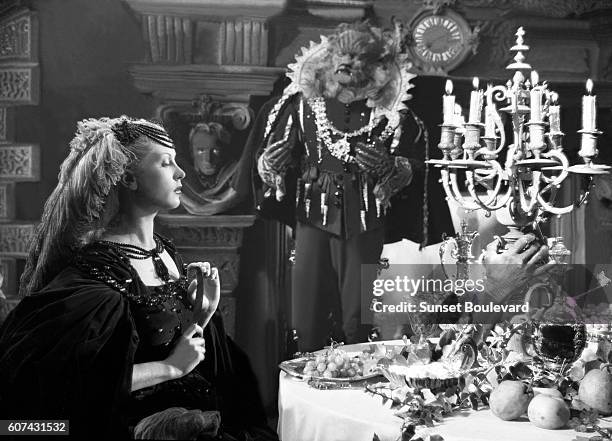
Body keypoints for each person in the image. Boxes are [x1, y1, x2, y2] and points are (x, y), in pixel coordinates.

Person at [0, 117, 277, 440]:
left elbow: (166, 337)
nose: (180, 173)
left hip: (196, 412)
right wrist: (169, 368)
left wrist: (202, 312)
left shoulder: (165, 253)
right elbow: (70, 385)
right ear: (129, 178)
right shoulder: (95, 277)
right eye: (165, 163)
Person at [233, 22, 454, 351]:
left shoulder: (391, 114)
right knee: (306, 309)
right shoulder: (300, 106)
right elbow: (269, 161)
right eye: (341, 54)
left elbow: (415, 162)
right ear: (327, 59)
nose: (346, 62)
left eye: (357, 56)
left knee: (357, 313)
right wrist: (271, 165)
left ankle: (357, 367)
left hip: (365, 214)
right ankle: (309, 372)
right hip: (311, 212)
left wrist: (394, 169)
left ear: (376, 68)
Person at [181, 122, 241, 215]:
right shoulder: (181, 179)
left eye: (215, 150)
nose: (208, 159)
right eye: (201, 151)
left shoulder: (237, 175)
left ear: (224, 152)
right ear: (192, 152)